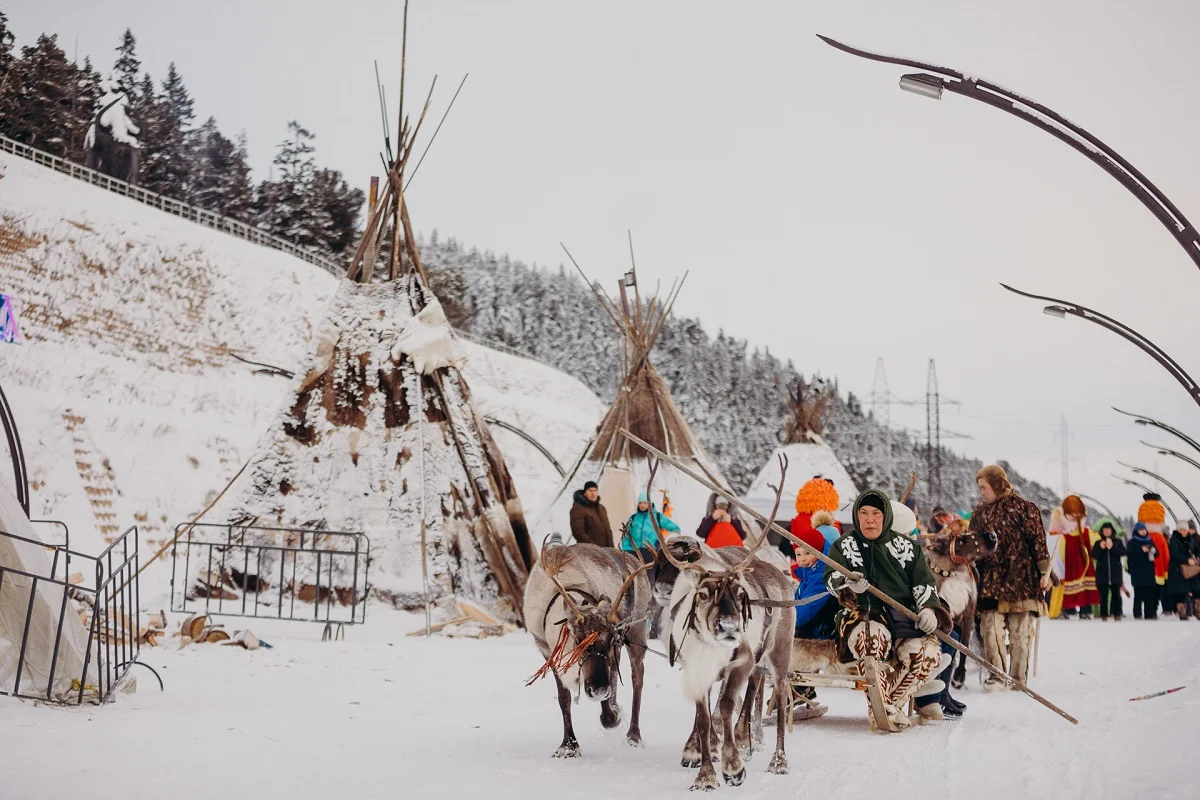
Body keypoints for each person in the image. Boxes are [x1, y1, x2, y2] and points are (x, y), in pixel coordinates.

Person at [825, 488, 950, 730]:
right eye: (863, 513)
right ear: (857, 516)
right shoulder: (843, 546)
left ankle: (885, 708)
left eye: (875, 513)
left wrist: (928, 610)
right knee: (871, 637)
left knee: (927, 655)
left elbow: (924, 585)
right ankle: (886, 711)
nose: (869, 519)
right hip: (861, 616)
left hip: (904, 619)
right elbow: (831, 580)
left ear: (886, 516)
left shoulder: (908, 549)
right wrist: (848, 584)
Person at [969, 464, 1050, 692]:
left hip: (1021, 578)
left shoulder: (1025, 509)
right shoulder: (980, 513)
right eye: (980, 488)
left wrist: (1045, 572)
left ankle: (1017, 678)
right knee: (990, 629)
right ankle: (997, 676)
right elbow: (972, 546)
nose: (981, 492)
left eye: (984, 487)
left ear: (997, 484)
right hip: (991, 580)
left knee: (1019, 633)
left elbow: (1038, 545)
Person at [1058, 496, 1099, 619]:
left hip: (1084, 565)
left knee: (1085, 589)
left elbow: (1096, 544)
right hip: (1071, 566)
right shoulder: (1065, 536)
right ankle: (1068, 609)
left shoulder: (1087, 532)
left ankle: (1085, 610)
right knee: (1071, 589)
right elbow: (1060, 553)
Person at [621, 490, 679, 562]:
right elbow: (626, 536)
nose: (642, 505)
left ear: (650, 504)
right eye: (640, 503)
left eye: (645, 503)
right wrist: (626, 549)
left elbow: (675, 529)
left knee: (650, 573)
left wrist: (665, 541)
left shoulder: (658, 517)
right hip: (634, 553)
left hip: (652, 553)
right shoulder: (633, 518)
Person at [1091, 518, 1127, 621]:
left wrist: (1113, 547)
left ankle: (1117, 613)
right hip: (1102, 574)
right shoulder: (1098, 542)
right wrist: (1100, 548)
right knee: (1103, 596)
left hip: (1115, 573)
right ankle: (1104, 615)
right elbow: (1093, 555)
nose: (1107, 531)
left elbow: (1123, 552)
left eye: (1109, 529)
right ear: (1102, 531)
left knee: (1116, 595)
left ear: (1112, 531)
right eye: (1105, 530)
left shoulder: (1118, 541)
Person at [1127, 522, 1159, 620]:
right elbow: (1130, 555)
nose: (1143, 532)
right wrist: (1141, 550)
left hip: (1149, 571)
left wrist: (1153, 551)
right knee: (1138, 595)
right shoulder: (1132, 542)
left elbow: (1157, 553)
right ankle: (1137, 613)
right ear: (1137, 531)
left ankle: (1149, 613)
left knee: (1150, 594)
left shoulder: (1150, 540)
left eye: (1144, 530)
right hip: (1138, 573)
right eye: (1141, 530)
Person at [1165, 525, 1197, 620]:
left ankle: (1190, 611)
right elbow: (1175, 553)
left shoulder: (1189, 539)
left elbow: (1196, 549)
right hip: (1177, 569)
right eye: (1181, 529)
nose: (1183, 532)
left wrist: (1198, 556)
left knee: (1188, 591)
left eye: (1185, 530)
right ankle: (1182, 613)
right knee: (1180, 592)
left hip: (1187, 570)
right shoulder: (1174, 540)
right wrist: (1187, 559)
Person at [569, 481, 613, 548]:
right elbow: (578, 533)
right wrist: (593, 548)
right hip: (589, 553)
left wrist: (612, 548)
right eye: (590, 491)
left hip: (606, 552)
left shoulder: (602, 509)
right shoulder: (578, 509)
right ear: (585, 493)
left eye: (595, 490)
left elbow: (608, 530)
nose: (593, 493)